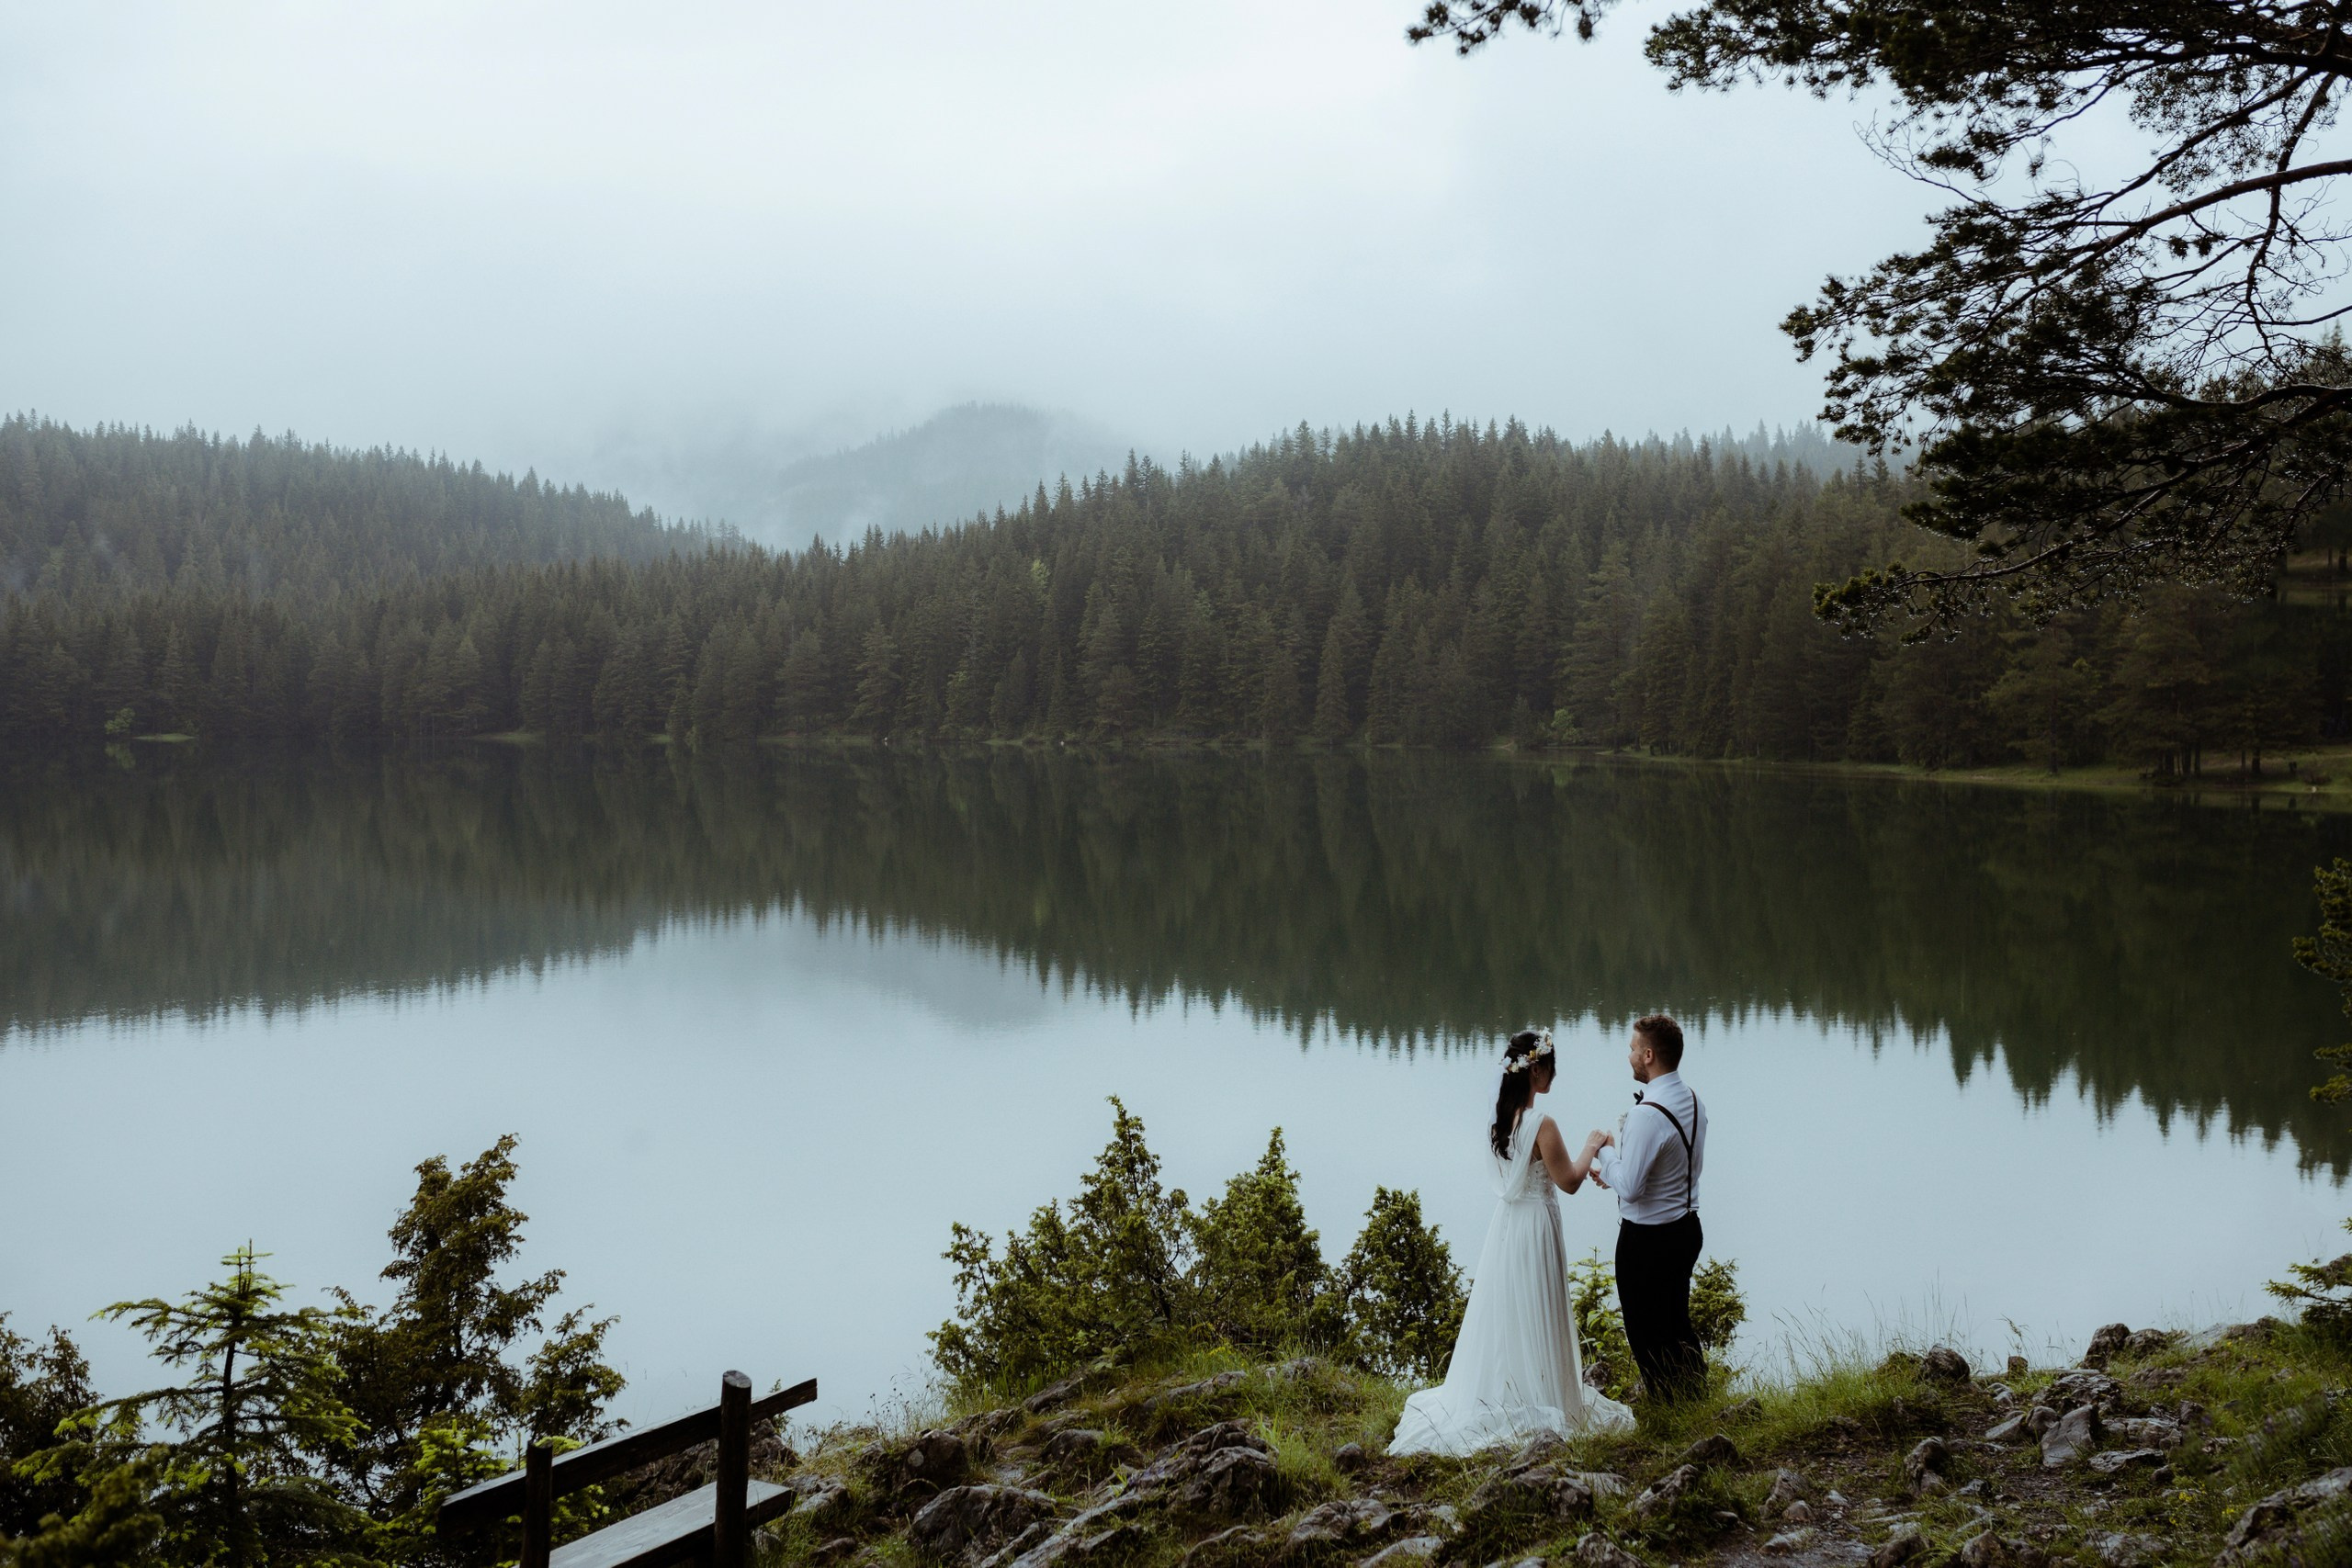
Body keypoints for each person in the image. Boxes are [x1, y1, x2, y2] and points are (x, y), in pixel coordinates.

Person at [1387, 1027, 1635, 1455]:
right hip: (1536, 1224)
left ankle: (1515, 1390)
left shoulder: (1499, 1122)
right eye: (1551, 1067)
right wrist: (1593, 1145)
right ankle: (1544, 1398)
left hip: (1507, 1226)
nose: (1554, 1076)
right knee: (1538, 1304)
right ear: (1535, 1069)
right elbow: (1570, 1182)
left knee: (1513, 1309)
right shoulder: (1542, 1123)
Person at [1587, 1013, 1709, 1404]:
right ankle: (1695, 1399)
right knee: (1677, 1324)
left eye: (1633, 1049)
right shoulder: (1693, 1099)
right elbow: (1674, 1167)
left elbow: (1633, 1189)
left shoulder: (1645, 1115)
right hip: (1686, 1230)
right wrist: (1619, 1174)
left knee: (1646, 1332)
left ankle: (1666, 1406)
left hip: (1648, 1243)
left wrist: (1605, 1151)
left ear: (1650, 1055)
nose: (1629, 1056)